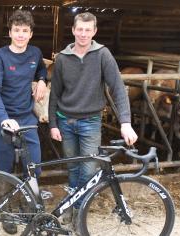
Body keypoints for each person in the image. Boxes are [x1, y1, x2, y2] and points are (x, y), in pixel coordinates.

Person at [48, 12, 138, 229]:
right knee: (72, 168)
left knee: (88, 170)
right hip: (65, 121)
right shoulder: (62, 58)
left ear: (94, 32)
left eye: (88, 30)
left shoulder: (102, 55)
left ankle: (77, 212)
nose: (83, 34)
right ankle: (73, 209)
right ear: (73, 30)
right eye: (80, 29)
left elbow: (117, 87)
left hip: (90, 121)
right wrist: (52, 123)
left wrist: (125, 121)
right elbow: (55, 94)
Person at [0, 9, 48, 234]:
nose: (20, 35)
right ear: (10, 32)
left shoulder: (35, 53)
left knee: (33, 165)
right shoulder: (0, 56)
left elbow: (42, 68)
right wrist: (3, 119)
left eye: (25, 31)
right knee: (5, 167)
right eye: (16, 31)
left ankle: (30, 206)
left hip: (27, 119)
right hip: (4, 119)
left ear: (30, 34)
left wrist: (42, 79)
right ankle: (4, 210)